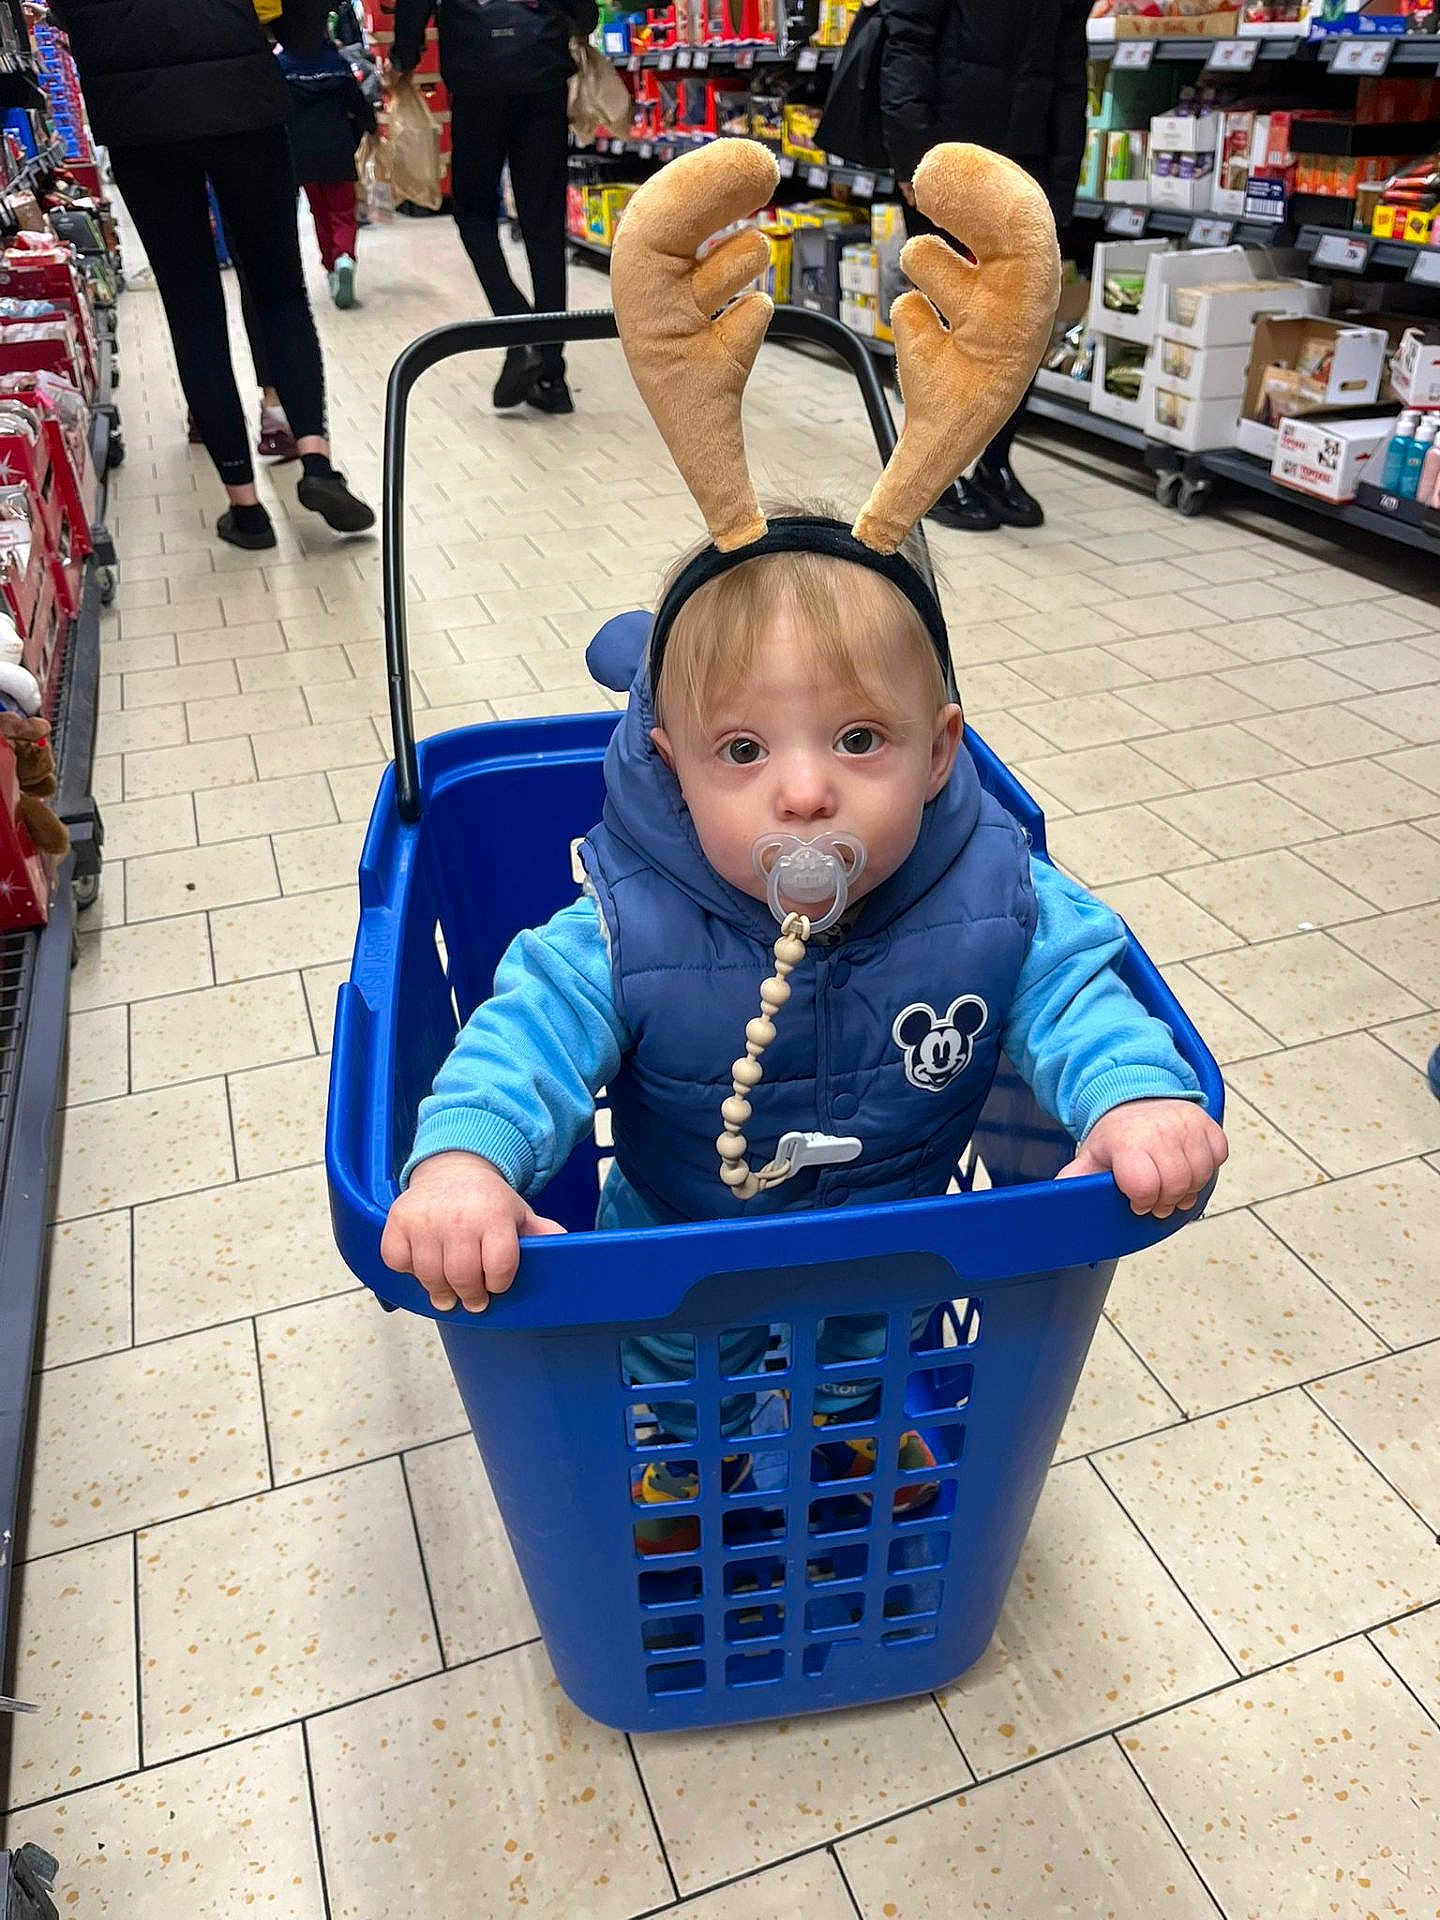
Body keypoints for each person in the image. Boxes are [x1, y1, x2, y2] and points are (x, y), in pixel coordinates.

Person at [379, 142, 1228, 1546]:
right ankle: (680, 1473)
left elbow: (1084, 992)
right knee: (673, 1378)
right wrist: (466, 1162)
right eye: (741, 753)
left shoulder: (994, 890)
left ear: (943, 749)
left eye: (858, 741)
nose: (804, 797)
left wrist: (1131, 1102)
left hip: (890, 1243)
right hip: (668, 1247)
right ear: (668, 763)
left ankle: (846, 1451)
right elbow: (519, 1038)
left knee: (857, 1369)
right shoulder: (625, 919)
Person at [53, 0, 373, 551]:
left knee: (192, 307)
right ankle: (316, 463)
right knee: (279, 292)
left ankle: (245, 509)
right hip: (242, 98)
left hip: (139, 118)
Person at [878, 0, 1093, 530]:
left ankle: (993, 463)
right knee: (941, 324)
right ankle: (932, 469)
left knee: (1022, 328)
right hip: (949, 160)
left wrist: (1062, 185)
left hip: (1028, 165)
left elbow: (1070, 74)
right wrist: (914, 160)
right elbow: (906, 43)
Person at [391, 0, 600, 416]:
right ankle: (551, 374)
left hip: (476, 76)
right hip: (541, 71)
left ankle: (517, 324)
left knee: (473, 215)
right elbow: (584, 11)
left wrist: (405, 55)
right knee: (543, 226)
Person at [276, 14, 377, 308]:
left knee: (320, 213)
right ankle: (345, 256)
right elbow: (359, 105)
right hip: (337, 148)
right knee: (343, 212)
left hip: (301, 153)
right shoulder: (337, 65)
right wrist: (369, 129)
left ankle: (331, 267)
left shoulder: (282, 67)